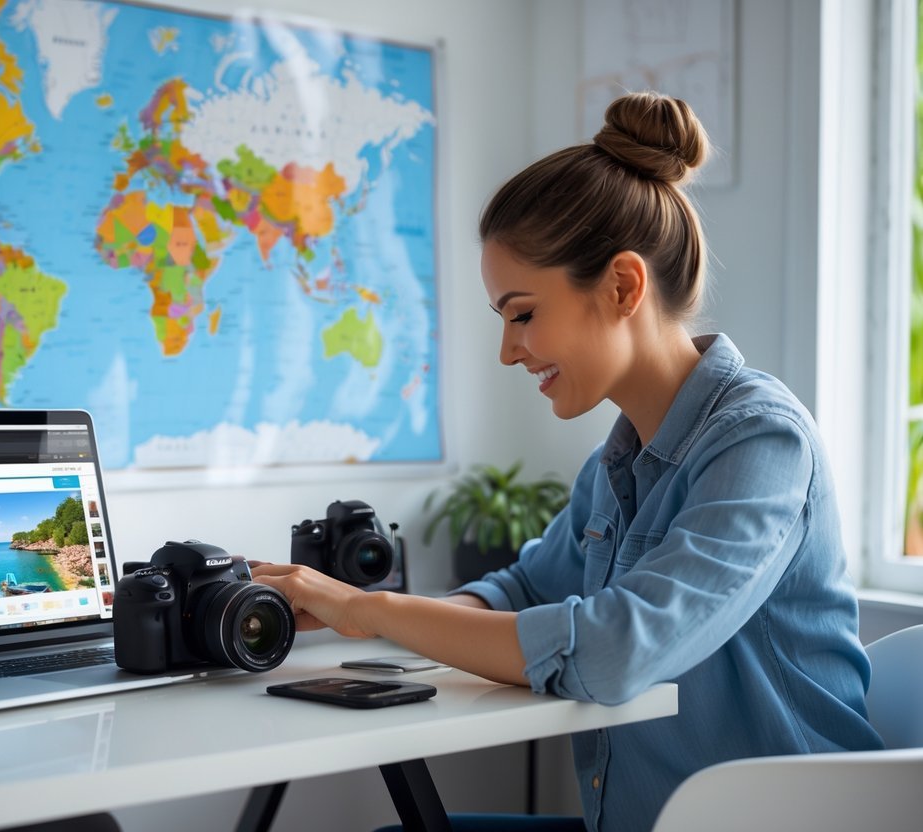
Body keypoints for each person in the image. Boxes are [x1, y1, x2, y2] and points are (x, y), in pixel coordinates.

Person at [251, 91, 883, 832]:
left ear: (621, 286)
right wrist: (354, 618)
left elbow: (615, 650)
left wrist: (371, 607)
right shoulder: (618, 464)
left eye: (523, 313)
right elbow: (522, 589)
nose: (507, 349)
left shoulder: (761, 445)